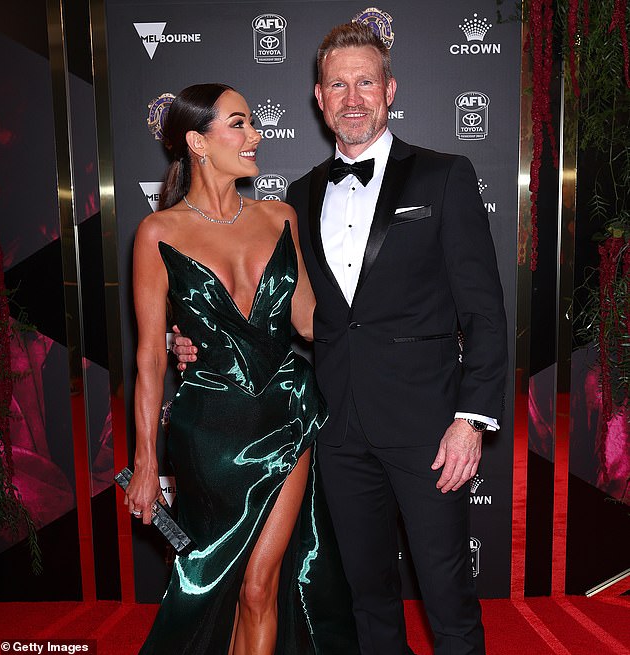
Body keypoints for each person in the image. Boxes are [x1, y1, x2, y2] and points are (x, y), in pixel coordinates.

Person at [174, 22, 508, 655]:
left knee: (447, 596)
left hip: (430, 430)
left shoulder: (445, 176)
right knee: (366, 595)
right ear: (319, 100)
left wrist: (472, 421)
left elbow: (486, 314)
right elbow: (279, 313)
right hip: (337, 430)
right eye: (338, 85)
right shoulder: (296, 199)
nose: (352, 98)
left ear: (389, 91)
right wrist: (196, 338)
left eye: (365, 82)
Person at [125, 83, 357, 655]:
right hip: (209, 432)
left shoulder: (279, 217)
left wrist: (389, 303)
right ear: (197, 142)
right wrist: (146, 460)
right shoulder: (159, 233)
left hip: (288, 413)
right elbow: (152, 354)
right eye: (240, 124)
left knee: (260, 586)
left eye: (253, 124)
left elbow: (308, 320)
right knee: (219, 584)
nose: (257, 136)